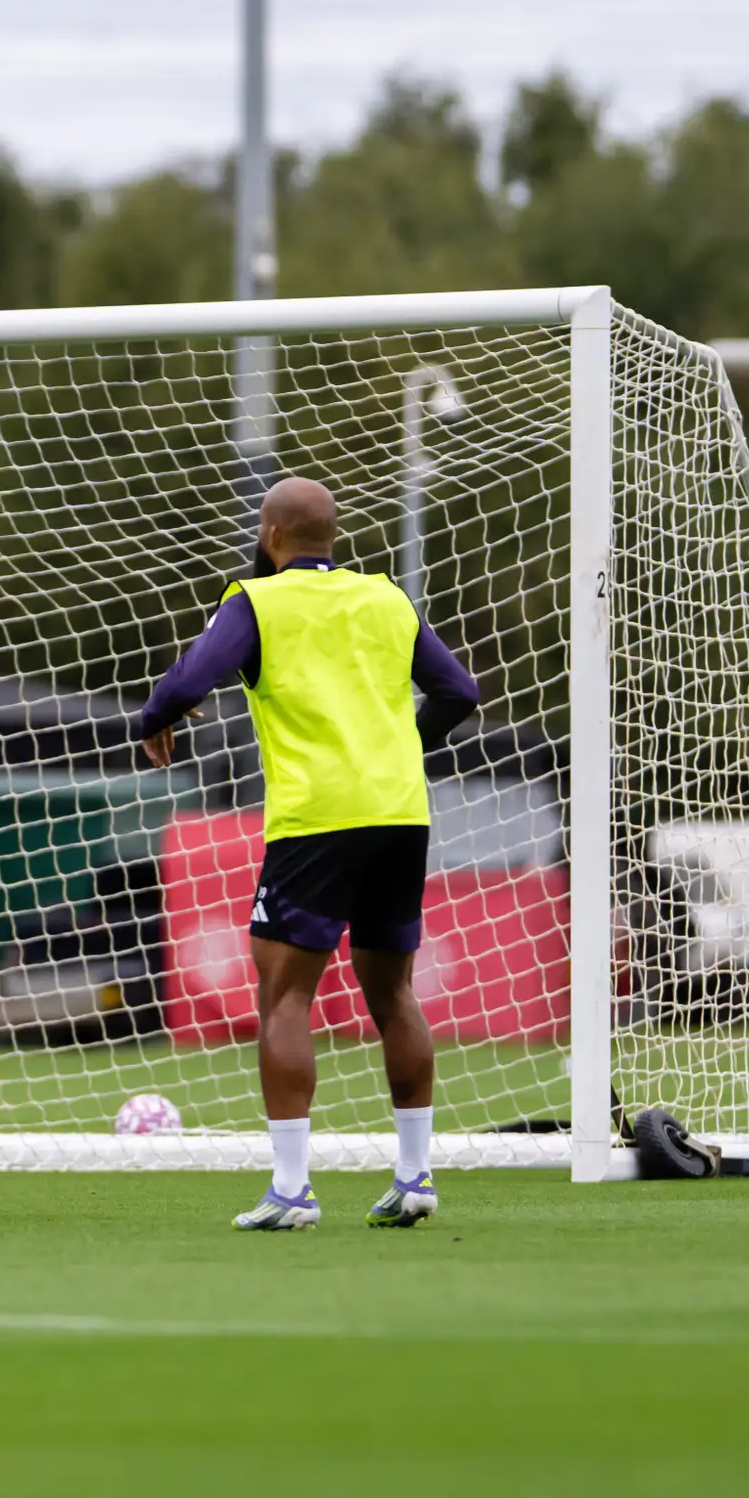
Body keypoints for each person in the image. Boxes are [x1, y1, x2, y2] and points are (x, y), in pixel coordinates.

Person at [133, 476, 485, 1231]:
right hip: (399, 811)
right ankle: (415, 1175)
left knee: (285, 997)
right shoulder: (386, 596)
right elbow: (459, 690)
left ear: (271, 534)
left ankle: (292, 1187)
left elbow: (192, 677)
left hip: (317, 820)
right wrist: (394, 750)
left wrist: (154, 715)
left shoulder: (257, 602)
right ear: (332, 535)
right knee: (393, 993)